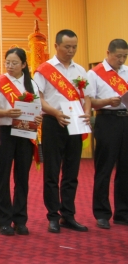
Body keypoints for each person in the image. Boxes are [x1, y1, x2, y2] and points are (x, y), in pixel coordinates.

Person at [34, 29, 93, 234]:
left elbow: (87, 97)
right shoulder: (44, 70)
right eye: (67, 47)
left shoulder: (80, 70)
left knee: (71, 172)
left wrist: (87, 112)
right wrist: (55, 113)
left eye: (74, 47)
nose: (71, 50)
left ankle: (68, 215)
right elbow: (39, 99)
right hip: (53, 122)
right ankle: (53, 216)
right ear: (56, 46)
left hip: (75, 123)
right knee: (52, 172)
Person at [0, 48, 42, 236]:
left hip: (25, 131)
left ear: (23, 64)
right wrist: (6, 113)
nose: (10, 66)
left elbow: (37, 108)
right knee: (2, 176)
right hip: (4, 131)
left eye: (14, 63)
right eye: (7, 62)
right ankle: (3, 220)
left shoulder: (31, 84)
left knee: (22, 177)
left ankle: (20, 219)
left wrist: (38, 118)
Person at [87, 39, 128, 229]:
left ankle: (123, 212)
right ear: (108, 53)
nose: (121, 60)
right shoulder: (94, 74)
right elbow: (90, 102)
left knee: (125, 168)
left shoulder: (127, 71)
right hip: (107, 120)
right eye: (118, 56)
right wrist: (107, 101)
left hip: (125, 119)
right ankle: (102, 213)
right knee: (104, 168)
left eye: (125, 56)